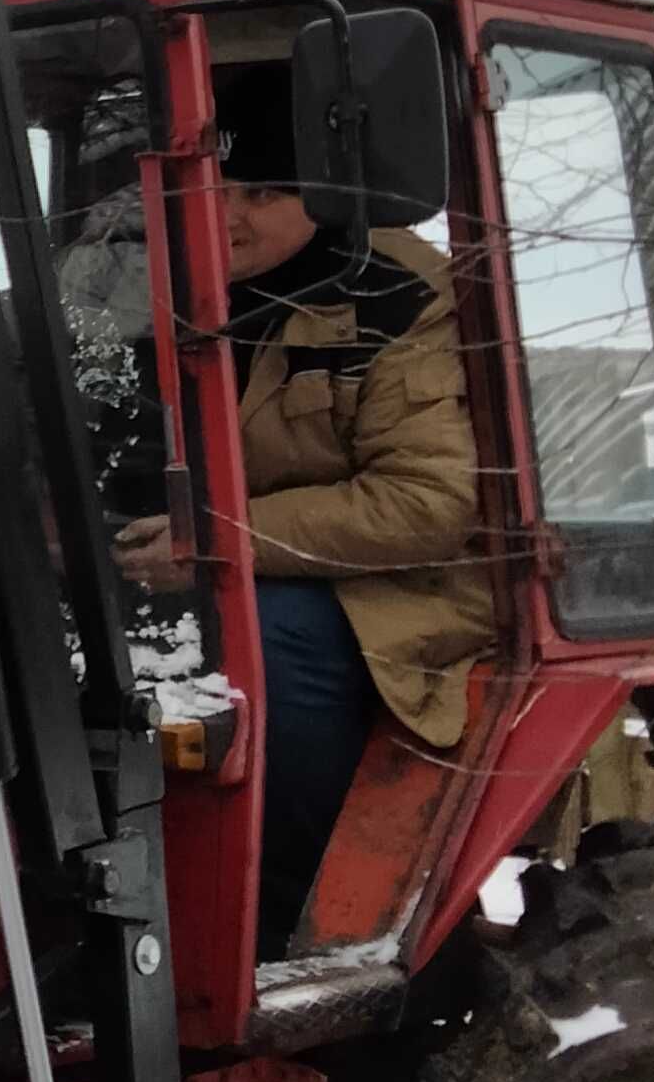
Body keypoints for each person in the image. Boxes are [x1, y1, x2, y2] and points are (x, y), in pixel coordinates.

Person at [111, 67, 490, 950]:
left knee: (262, 642)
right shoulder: (157, 274)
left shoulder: (401, 298)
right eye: (219, 184)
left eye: (266, 190)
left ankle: (294, 923)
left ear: (322, 186)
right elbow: (20, 353)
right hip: (185, 560)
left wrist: (217, 542)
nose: (230, 212)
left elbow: (427, 504)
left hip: (391, 596)